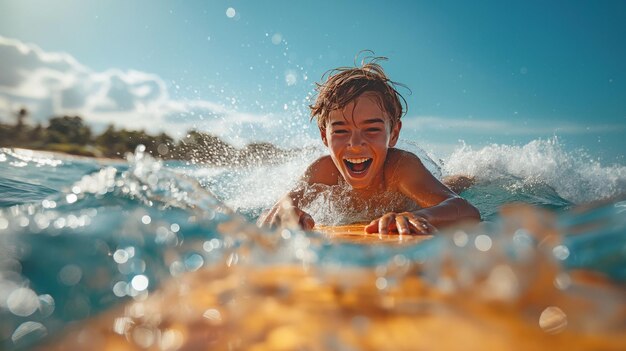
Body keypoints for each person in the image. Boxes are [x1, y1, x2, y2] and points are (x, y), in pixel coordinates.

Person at [258, 57, 480, 234]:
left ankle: (470, 175)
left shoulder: (400, 169)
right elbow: (274, 213)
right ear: (324, 137)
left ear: (393, 134)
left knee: (452, 185)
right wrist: (288, 215)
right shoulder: (323, 172)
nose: (355, 144)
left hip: (414, 191)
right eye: (341, 131)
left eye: (372, 129)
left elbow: (467, 211)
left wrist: (422, 215)